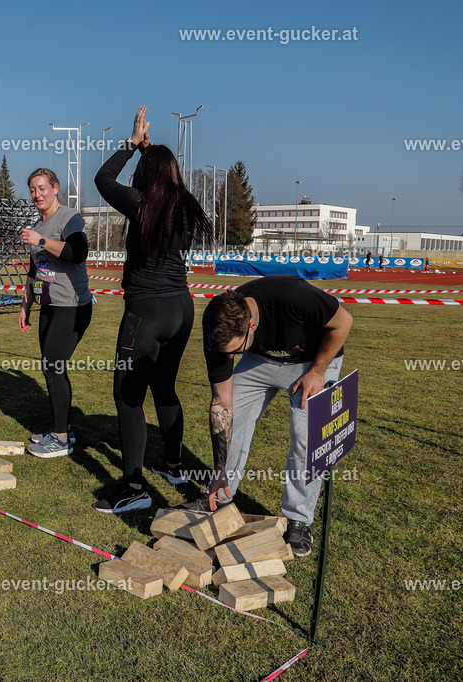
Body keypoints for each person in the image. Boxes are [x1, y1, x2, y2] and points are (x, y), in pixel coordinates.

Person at [91, 105, 214, 513]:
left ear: (147, 176)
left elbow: (102, 178)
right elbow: (163, 178)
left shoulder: (142, 203)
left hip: (146, 312)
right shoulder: (185, 205)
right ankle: (174, 464)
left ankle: (133, 487)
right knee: (164, 387)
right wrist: (149, 151)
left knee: (127, 398)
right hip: (182, 308)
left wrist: (130, 144)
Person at [196, 275, 352, 557]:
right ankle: (221, 494)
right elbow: (222, 404)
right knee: (235, 417)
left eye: (234, 351)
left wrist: (317, 372)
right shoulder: (220, 335)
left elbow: (343, 322)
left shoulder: (293, 296)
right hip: (261, 360)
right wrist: (220, 467)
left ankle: (299, 519)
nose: (228, 358)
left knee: (305, 437)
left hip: (313, 359)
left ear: (251, 325)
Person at [18, 168, 92, 458]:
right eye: (33, 190)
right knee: (50, 367)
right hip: (48, 304)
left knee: (54, 368)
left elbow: (78, 252)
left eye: (42, 188)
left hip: (71, 306)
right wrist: (27, 303)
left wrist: (40, 240)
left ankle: (61, 439)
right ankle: (62, 428)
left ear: (55, 188)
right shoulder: (38, 223)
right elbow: (36, 268)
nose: (37, 194)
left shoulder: (68, 217)